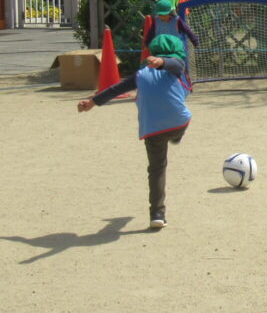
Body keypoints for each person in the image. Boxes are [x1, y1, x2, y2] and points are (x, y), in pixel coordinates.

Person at [77, 34, 193, 230]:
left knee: (157, 169)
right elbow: (177, 65)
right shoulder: (177, 67)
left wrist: (92, 102)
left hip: (152, 129)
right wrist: (163, 62)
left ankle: (157, 213)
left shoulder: (141, 75)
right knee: (178, 124)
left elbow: (115, 89)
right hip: (177, 123)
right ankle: (176, 137)